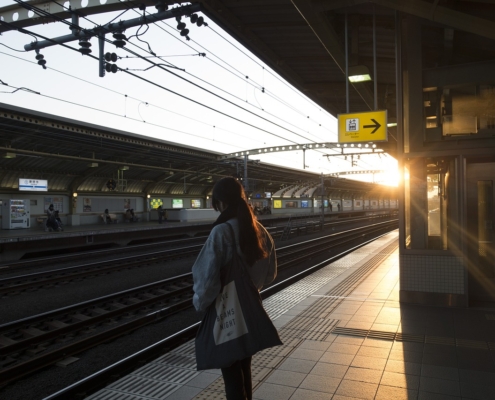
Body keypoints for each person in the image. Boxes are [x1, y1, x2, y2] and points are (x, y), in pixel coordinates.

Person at [192, 177, 277, 400]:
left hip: (227, 314)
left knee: (231, 374)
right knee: (244, 368)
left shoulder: (220, 232)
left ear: (219, 203)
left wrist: (200, 303)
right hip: (250, 310)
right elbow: (270, 274)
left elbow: (207, 280)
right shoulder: (259, 230)